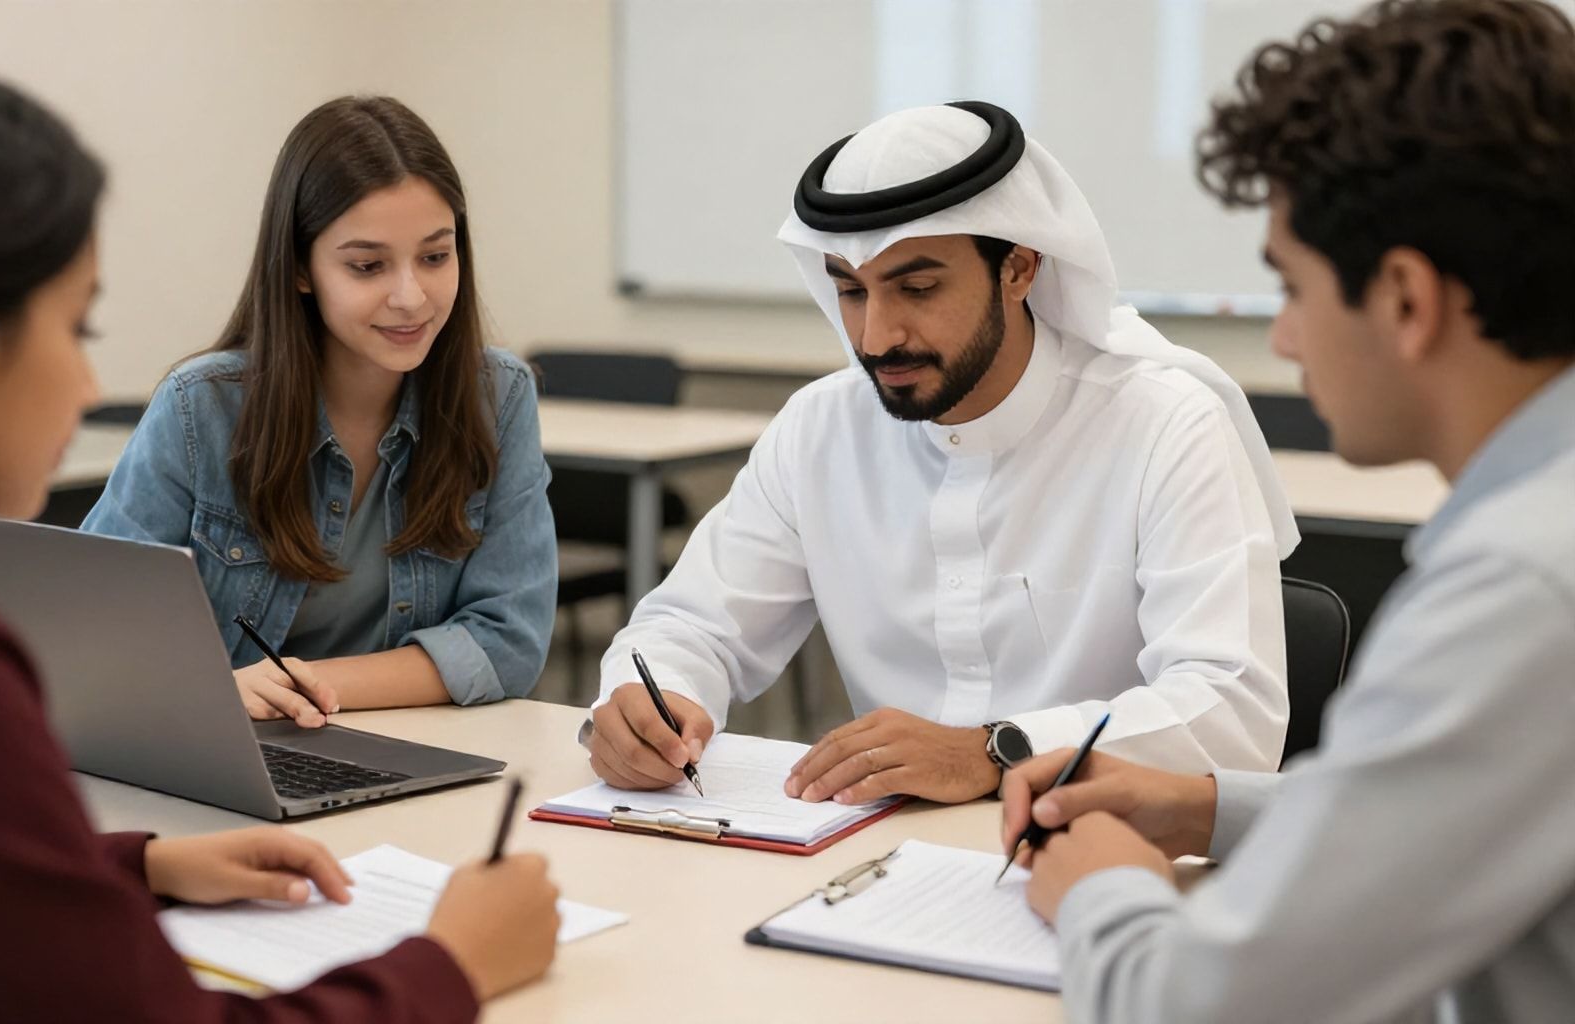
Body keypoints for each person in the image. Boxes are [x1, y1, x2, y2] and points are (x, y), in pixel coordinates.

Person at [0, 51, 559, 1021]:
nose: (84, 386)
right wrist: (451, 963)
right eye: (79, 326)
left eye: (435, 254)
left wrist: (132, 863)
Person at [999, 2, 1575, 1020]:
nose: (1291, 342)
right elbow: (1470, 814)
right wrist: (1203, 804)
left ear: (1404, 298)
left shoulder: (1521, 589)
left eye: (1292, 288)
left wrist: (1095, 880)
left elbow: (1199, 1003)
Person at [587, 100, 1298, 804]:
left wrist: (996, 749)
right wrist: (651, 700)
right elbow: (693, 625)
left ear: (1018, 269)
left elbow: (1229, 714)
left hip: (1101, 853)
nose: (876, 338)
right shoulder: (820, 428)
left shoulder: (1165, 424)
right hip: (874, 853)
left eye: (918, 288)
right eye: (850, 291)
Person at [83, 96, 556, 726]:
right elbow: (91, 628)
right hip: (226, 748)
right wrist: (214, 693)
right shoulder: (202, 408)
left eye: (436, 257)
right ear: (302, 268)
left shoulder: (497, 396)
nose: (411, 297)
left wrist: (287, 687)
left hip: (402, 750)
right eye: (368, 266)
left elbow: (508, 641)